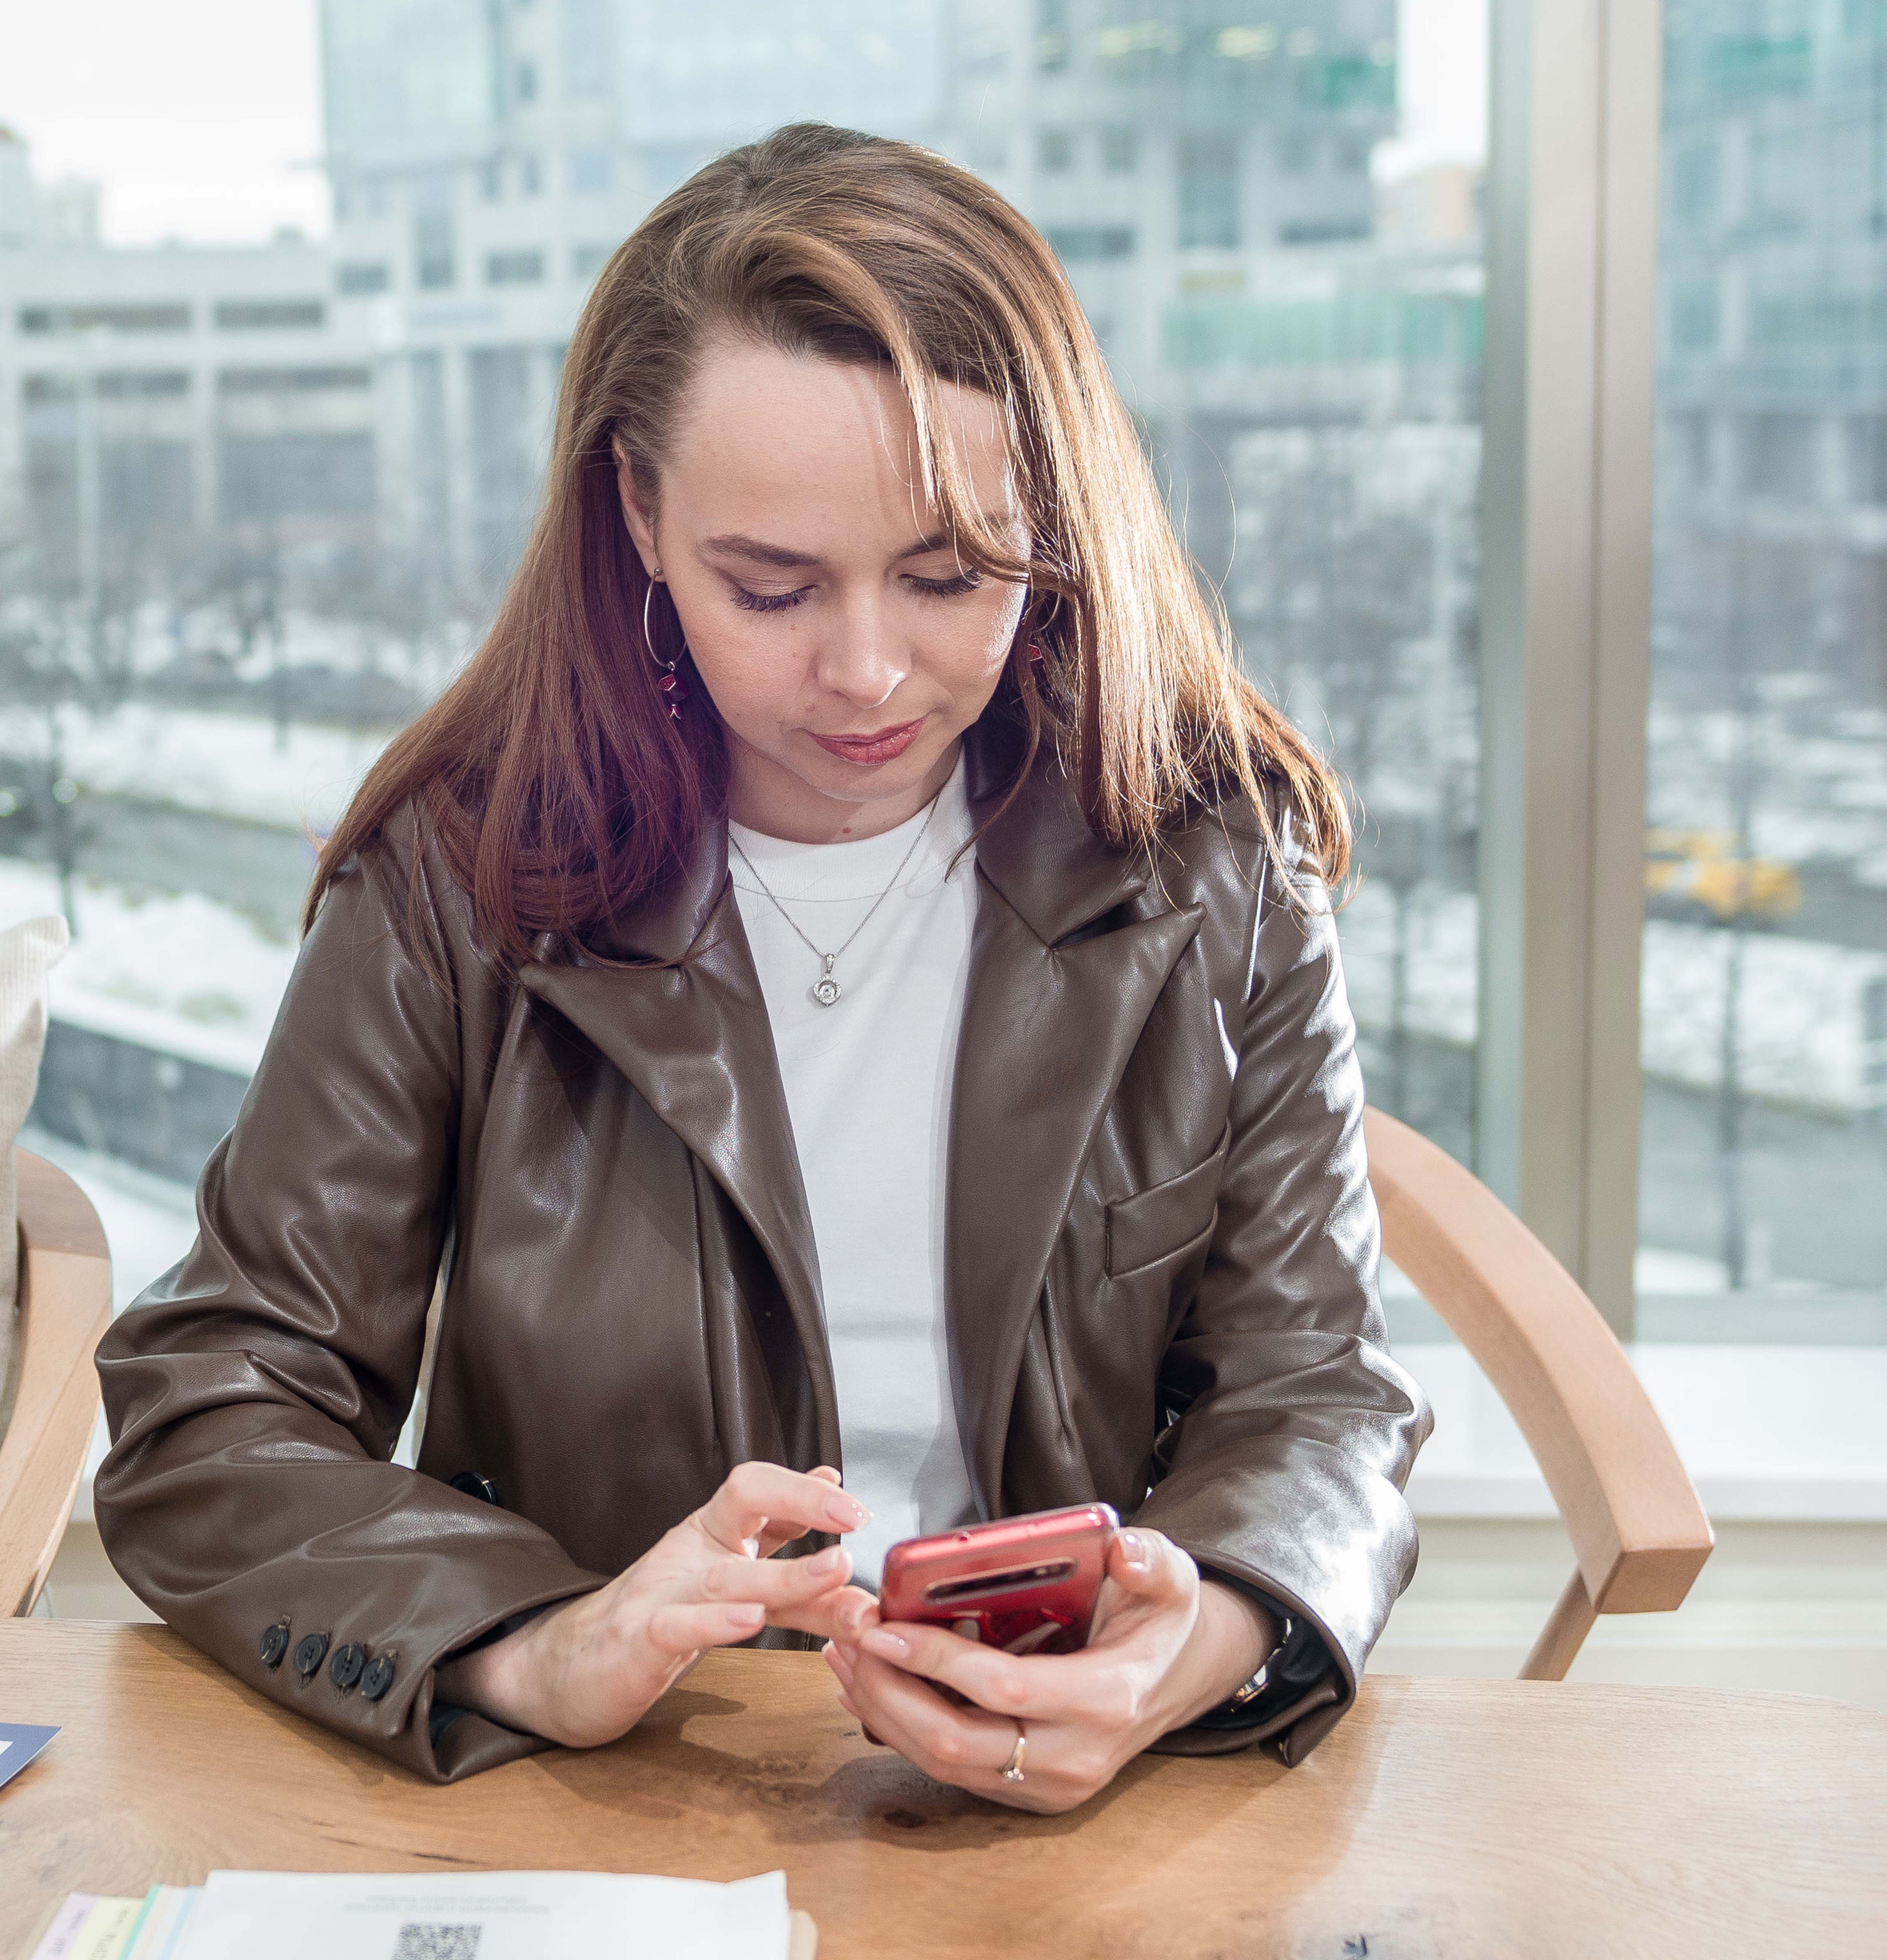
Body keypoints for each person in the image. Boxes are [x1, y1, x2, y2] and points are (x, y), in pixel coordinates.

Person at [94, 121, 1430, 1813]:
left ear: (1054, 521)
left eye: (951, 573)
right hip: (609, 1808)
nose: (865, 671)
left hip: (1069, 1830)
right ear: (638, 512)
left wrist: (1198, 1635)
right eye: (772, 584)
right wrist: (537, 1643)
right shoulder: (457, 872)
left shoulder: (1214, 862)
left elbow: (1311, 1397)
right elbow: (210, 1412)